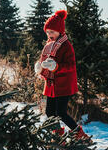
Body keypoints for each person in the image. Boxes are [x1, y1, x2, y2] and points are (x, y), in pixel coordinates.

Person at [35, 10, 91, 141]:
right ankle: (58, 134)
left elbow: (71, 66)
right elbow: (44, 61)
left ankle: (80, 134)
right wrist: (40, 67)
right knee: (49, 112)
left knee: (61, 113)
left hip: (63, 84)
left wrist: (56, 66)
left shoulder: (66, 46)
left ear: (60, 31)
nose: (50, 34)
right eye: (48, 32)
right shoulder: (49, 45)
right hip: (51, 84)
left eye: (52, 32)